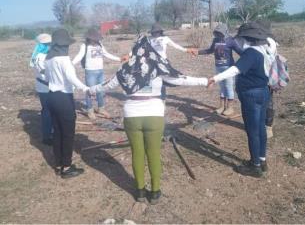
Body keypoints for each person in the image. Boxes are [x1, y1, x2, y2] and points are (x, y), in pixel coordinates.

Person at [90, 36, 208, 204]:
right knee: (153, 154)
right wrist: (205, 81)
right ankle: (155, 192)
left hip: (131, 117)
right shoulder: (158, 68)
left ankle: (139, 192)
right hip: (154, 116)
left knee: (137, 153)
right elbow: (181, 79)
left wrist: (88, 89)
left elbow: (106, 85)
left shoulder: (125, 69)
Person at [208, 21, 275, 178]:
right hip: (263, 92)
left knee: (252, 131)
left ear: (247, 38)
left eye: (242, 37)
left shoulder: (251, 53)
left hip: (251, 95)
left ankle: (255, 166)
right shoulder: (265, 49)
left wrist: (215, 78)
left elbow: (235, 69)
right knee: (260, 128)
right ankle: (262, 160)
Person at [45, 29, 90, 178]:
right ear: (64, 45)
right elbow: (72, 78)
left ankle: (59, 163)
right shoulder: (64, 60)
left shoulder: (48, 58)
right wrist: (86, 89)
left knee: (58, 131)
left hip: (51, 97)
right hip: (63, 99)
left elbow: (46, 78)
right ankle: (67, 167)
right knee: (68, 134)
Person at [234, 28, 278, 139]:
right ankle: (264, 127)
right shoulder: (268, 43)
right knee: (267, 103)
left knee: (267, 104)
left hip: (263, 80)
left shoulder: (259, 47)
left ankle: (266, 127)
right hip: (266, 79)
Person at [72, 28, 121, 120]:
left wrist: (119, 59)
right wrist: (71, 64)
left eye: (97, 38)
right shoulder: (85, 46)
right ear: (89, 38)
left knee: (101, 90)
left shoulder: (100, 45)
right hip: (90, 72)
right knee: (90, 91)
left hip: (100, 71)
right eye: (95, 38)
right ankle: (90, 110)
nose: (96, 40)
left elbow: (107, 54)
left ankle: (101, 108)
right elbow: (79, 56)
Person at [196, 23, 243, 116]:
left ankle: (230, 107)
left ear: (225, 32)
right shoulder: (215, 40)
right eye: (217, 32)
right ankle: (222, 106)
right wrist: (197, 52)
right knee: (221, 87)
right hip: (218, 67)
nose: (218, 34)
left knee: (228, 87)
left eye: (220, 32)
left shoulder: (231, 40)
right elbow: (209, 50)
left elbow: (240, 52)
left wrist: (245, 61)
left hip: (228, 68)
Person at [30, 33, 53, 145]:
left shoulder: (38, 55)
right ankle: (47, 136)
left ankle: (50, 132)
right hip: (45, 87)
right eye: (48, 44)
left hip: (45, 86)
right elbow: (44, 75)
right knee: (47, 111)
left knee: (49, 110)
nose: (50, 45)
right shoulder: (41, 57)